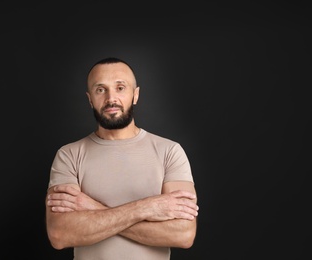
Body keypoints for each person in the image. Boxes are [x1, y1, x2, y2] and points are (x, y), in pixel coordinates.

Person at [45, 57, 199, 260]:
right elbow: (60, 235)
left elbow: (183, 235)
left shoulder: (170, 151)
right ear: (90, 98)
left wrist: (93, 208)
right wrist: (148, 208)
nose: (111, 99)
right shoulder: (68, 155)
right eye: (101, 89)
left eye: (120, 87)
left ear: (135, 95)